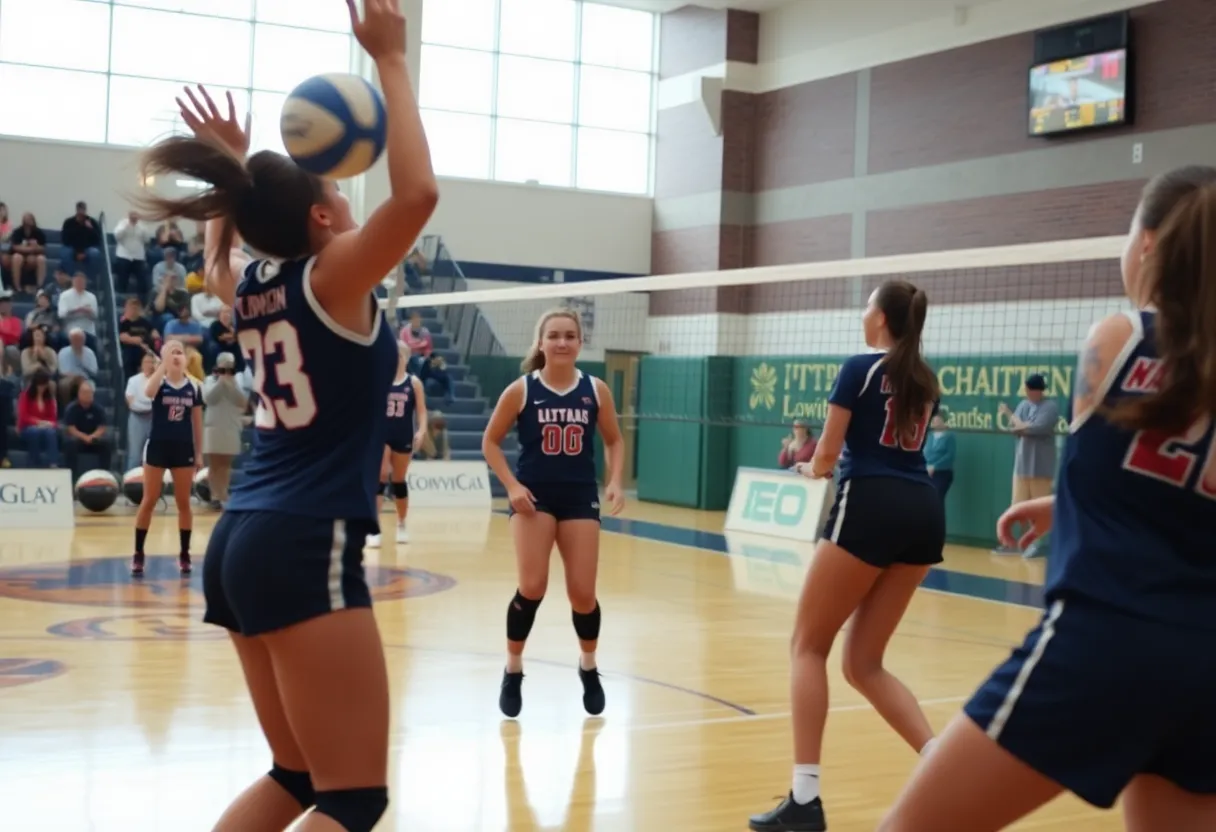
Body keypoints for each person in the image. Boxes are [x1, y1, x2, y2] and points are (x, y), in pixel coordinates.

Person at [131, 0, 437, 828]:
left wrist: (232, 167)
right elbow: (418, 194)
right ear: (322, 218)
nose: (346, 193)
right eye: (336, 187)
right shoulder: (332, 277)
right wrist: (392, 60)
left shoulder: (255, 289)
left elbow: (216, 261)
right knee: (352, 799)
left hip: (242, 538)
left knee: (297, 778)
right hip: (304, 540)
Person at [880, 165, 1216, 832]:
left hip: (1105, 644)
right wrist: (1066, 506)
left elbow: (1131, 454)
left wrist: (1076, 501)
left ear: (1147, 243)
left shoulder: (1117, 337)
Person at [748, 281, 943, 832]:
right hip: (924, 509)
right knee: (863, 663)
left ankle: (805, 800)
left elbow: (828, 453)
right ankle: (945, 767)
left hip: (872, 502)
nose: (862, 314)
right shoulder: (925, 377)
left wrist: (811, 468)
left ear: (880, 318)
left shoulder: (860, 367)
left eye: (866, 305)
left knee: (807, 646)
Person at [482, 308, 626, 720]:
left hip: (579, 497)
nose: (562, 342)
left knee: (582, 593)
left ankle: (589, 666)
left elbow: (614, 440)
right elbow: (490, 442)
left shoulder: (595, 389)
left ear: (580, 343)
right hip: (534, 497)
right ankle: (513, 669)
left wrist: (615, 480)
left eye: (569, 336)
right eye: (554, 336)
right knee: (532, 587)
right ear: (541, 343)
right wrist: (512, 486)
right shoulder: (522, 389)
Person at [132, 339, 201, 577]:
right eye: (172, 352)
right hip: (158, 447)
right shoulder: (159, 382)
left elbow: (197, 423)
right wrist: (162, 365)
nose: (176, 355)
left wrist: (199, 453)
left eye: (179, 352)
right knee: (149, 499)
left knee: (184, 503)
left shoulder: (194, 386)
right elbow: (148, 392)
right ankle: (138, 553)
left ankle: (184, 554)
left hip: (183, 448)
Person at [367, 343, 426, 548]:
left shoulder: (414, 383)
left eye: (399, 355)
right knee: (381, 475)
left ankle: (401, 523)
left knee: (399, 480)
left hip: (403, 434)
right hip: (381, 435)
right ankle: (374, 527)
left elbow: (421, 411)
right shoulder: (380, 379)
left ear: (406, 358)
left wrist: (421, 430)